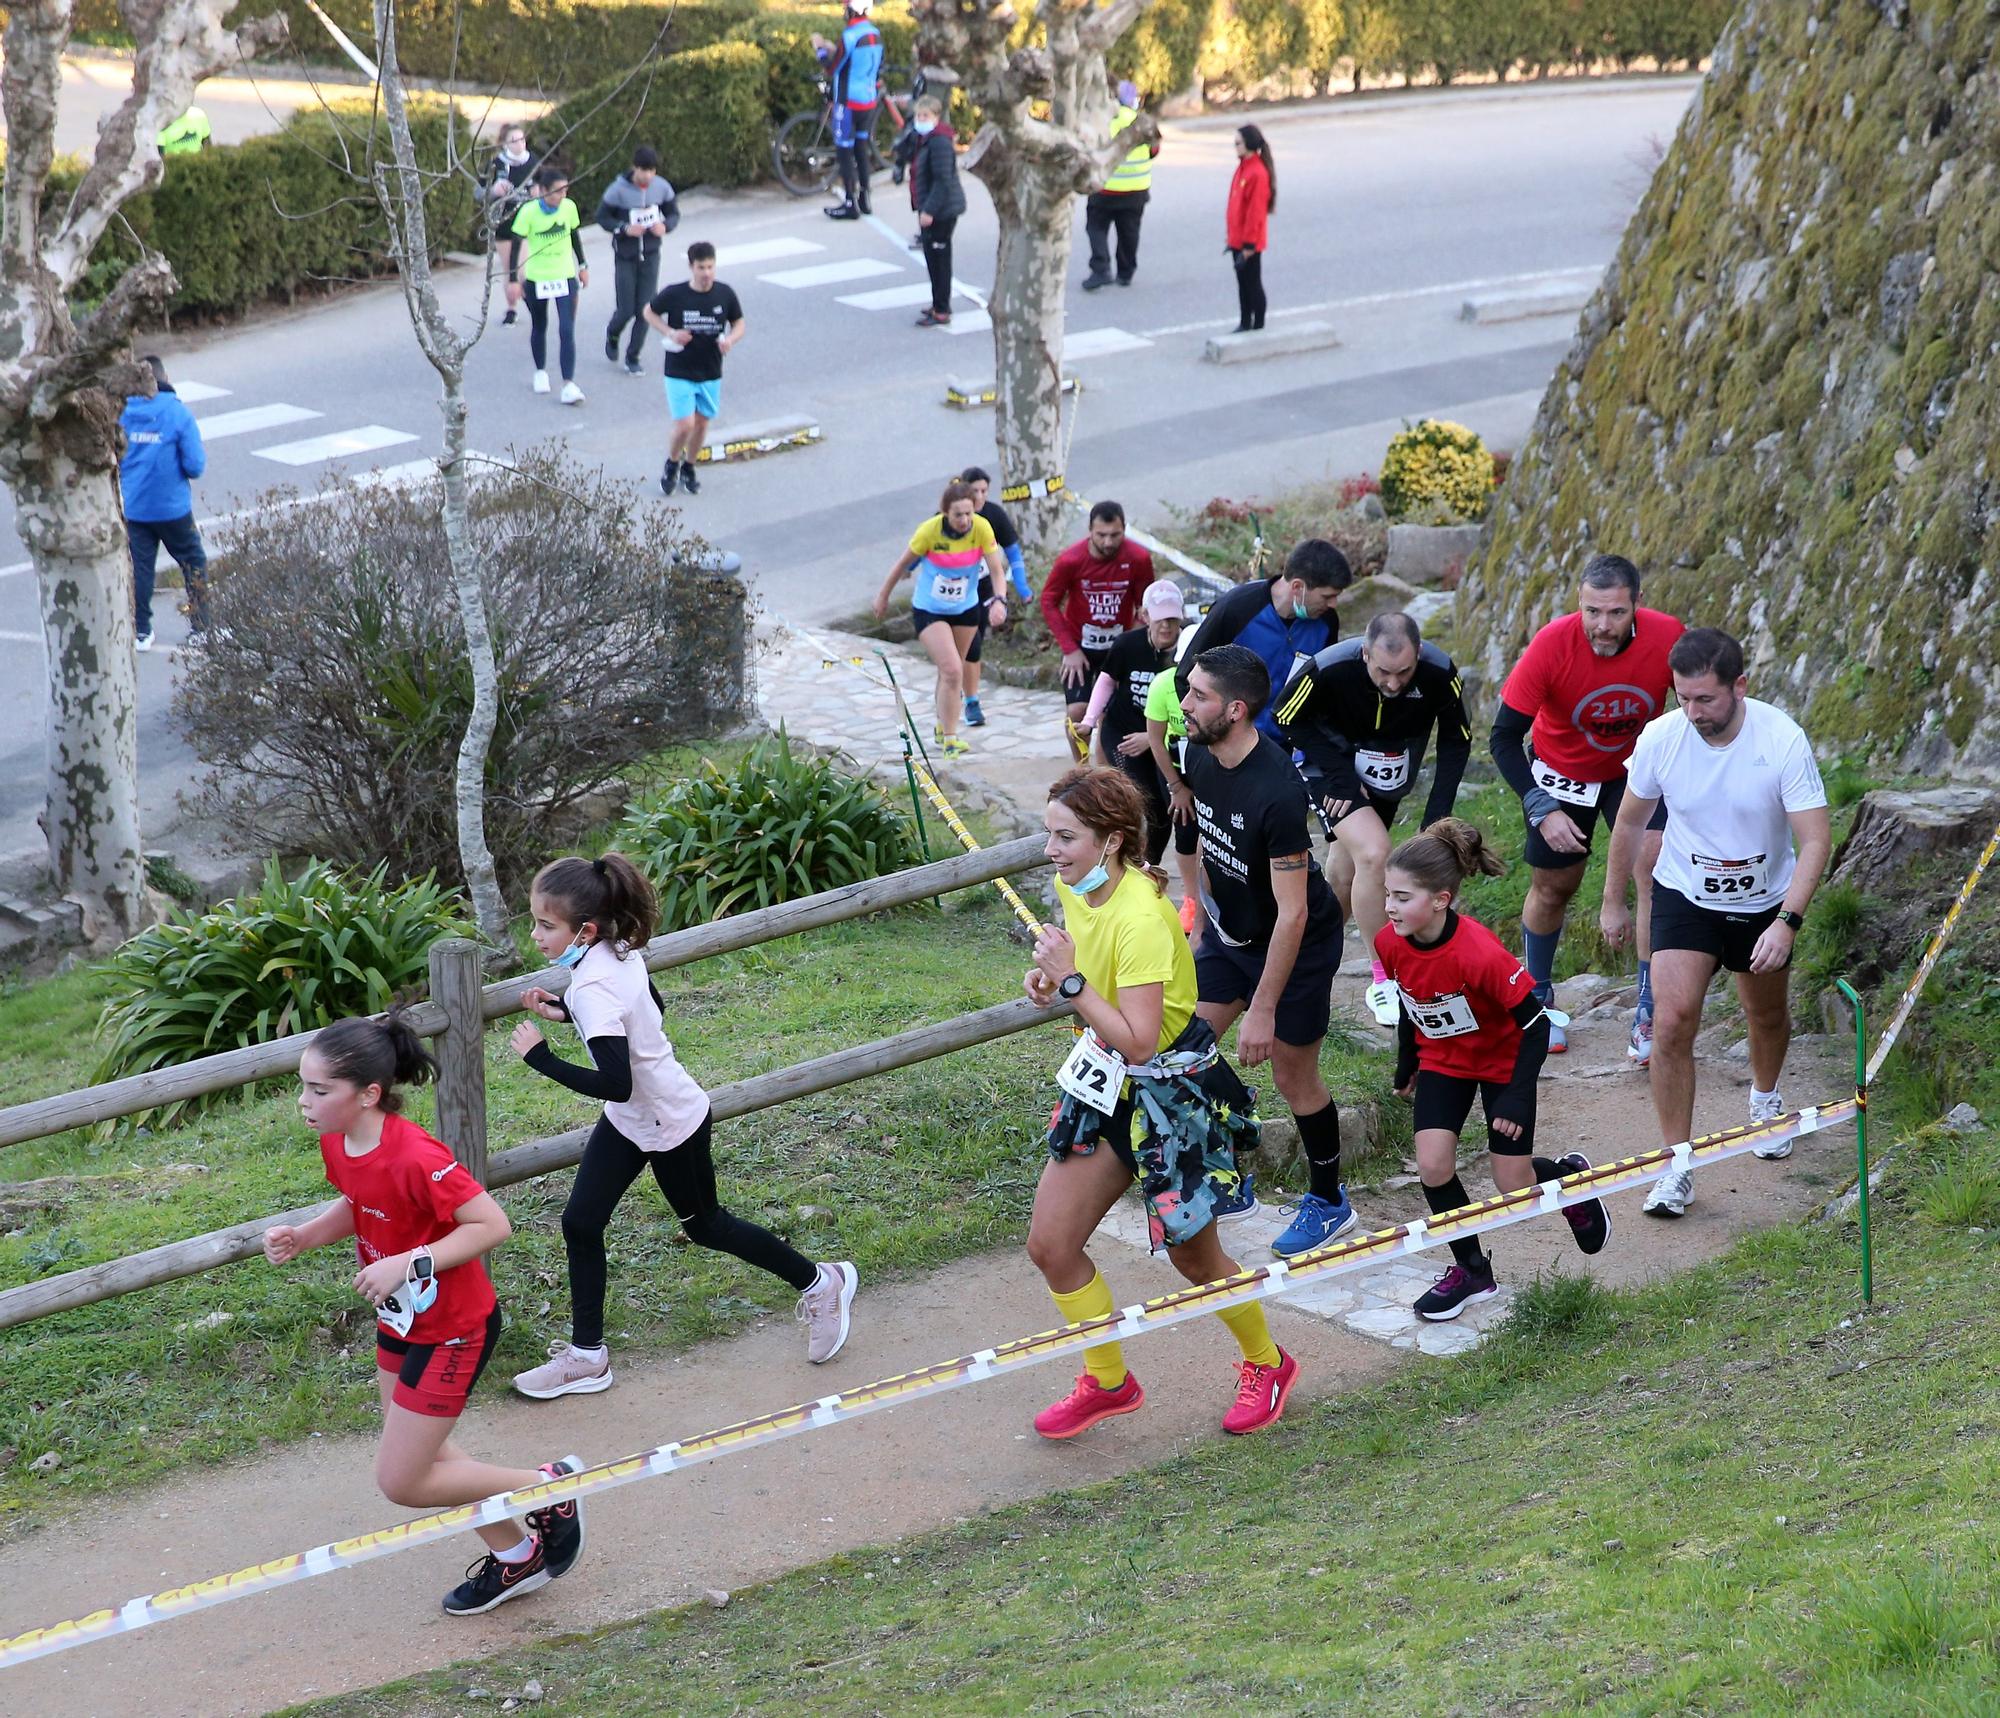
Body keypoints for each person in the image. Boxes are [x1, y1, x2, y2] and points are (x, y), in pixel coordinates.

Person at [262, 1014, 587, 1616]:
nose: (303, 1102)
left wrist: (410, 1264)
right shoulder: (338, 1140)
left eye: (319, 1090)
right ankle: (519, 1556)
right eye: (302, 1086)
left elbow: (492, 1225)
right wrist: (307, 1235)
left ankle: (547, 1486)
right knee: (419, 1457)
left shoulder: (416, 1155)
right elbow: (361, 1202)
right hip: (402, 1320)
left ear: (369, 1095)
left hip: (455, 1329)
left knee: (402, 1480)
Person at [508, 854, 858, 1396]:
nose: (535, 935)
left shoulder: (593, 984)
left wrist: (541, 1058)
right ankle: (587, 1356)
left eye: (545, 925)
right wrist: (566, 1012)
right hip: (630, 1122)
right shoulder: (617, 955)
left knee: (706, 1226)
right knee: (580, 1221)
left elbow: (616, 1081)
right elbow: (651, 1010)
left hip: (671, 1121)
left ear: (586, 929)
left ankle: (821, 1281)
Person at [1024, 766, 1298, 1439]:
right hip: (1107, 1087)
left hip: (1171, 1095)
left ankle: (1269, 1363)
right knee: (1052, 1246)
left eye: (1065, 837)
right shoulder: (1073, 886)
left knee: (1194, 1259)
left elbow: (1141, 1042)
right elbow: (1092, 998)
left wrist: (1072, 983)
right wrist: (1050, 983)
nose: (1051, 850)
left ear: (1112, 841)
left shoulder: (1143, 920)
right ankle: (1109, 1382)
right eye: (1049, 835)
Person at [1600, 628, 1832, 1219]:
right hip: (1685, 894)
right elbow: (1629, 824)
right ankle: (1676, 1165)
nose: (1693, 712)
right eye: (1682, 698)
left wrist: (1786, 923)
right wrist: (1614, 901)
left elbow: (1814, 841)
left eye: (1705, 699)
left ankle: (1765, 1099)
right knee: (1673, 1022)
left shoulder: (1780, 740)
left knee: (1767, 1014)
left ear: (1740, 687)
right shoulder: (1662, 739)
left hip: (1763, 903)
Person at [1380, 821, 1610, 1320]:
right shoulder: (1389, 941)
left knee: (1514, 1187)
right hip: (1444, 1060)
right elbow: (1407, 1001)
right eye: (1387, 895)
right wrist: (1407, 1061)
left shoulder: (1478, 951)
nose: (1390, 907)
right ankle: (1472, 1270)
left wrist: (1512, 1099)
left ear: (1441, 899)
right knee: (1434, 1167)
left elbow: (1536, 1027)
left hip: (1505, 1061)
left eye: (1402, 896)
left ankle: (1569, 1179)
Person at [1180, 645, 1357, 1255]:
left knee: (1291, 1072)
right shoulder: (1198, 755)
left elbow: (1296, 911)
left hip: (1296, 945)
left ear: (1234, 709)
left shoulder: (1279, 791)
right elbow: (1201, 844)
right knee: (1180, 1047)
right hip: (1231, 940)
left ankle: (1330, 1201)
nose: (1185, 702)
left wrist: (1261, 1008)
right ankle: (1229, 1174)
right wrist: (1197, 916)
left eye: (1198, 695)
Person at [1489, 553, 1682, 1056]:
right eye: (1592, 611)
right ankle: (1537, 994)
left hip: (1634, 770)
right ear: (1579, 603)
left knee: (1654, 866)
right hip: (1562, 772)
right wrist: (1539, 805)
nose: (1602, 625)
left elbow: (1694, 710)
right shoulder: (1553, 644)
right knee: (1555, 886)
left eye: (1616, 613)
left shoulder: (1667, 636)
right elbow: (1504, 736)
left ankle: (1649, 1006)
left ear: (1638, 604)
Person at [1275, 612, 1473, 1027]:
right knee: (1375, 854)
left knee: (1345, 871)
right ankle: (1384, 977)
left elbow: (1457, 739)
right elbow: (1286, 716)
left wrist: (1436, 815)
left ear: (1418, 653)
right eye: (1383, 671)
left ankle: (1305, 955)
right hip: (1329, 770)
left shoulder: (1438, 672)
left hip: (1387, 767)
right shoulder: (1330, 666)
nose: (1394, 683)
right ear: (1365, 653)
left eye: (1404, 672)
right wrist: (1341, 778)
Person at [872, 478, 1009, 758]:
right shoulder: (929, 532)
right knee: (952, 670)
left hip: (966, 608)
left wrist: (999, 600)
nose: (964, 520)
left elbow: (996, 569)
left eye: (969, 513)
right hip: (929, 610)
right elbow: (902, 564)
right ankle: (950, 738)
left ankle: (941, 723)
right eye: (958, 514)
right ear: (945, 512)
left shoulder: (982, 528)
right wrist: (883, 596)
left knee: (949, 671)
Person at [1175, 538, 1350, 746]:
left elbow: (1325, 688)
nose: (1333, 604)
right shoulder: (1236, 609)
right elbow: (1186, 676)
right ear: (1298, 587)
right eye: (1327, 596)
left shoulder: (1327, 622)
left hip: (1290, 746)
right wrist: (1213, 739)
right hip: (1231, 744)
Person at [1078, 581, 1186, 862]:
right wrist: (1089, 722)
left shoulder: (1187, 650)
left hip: (1163, 737)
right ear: (1146, 616)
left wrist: (1151, 738)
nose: (1166, 626)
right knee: (1140, 799)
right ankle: (1123, 859)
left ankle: (1147, 864)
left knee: (1164, 809)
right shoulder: (1128, 644)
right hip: (1124, 733)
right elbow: (1106, 681)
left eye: (1172, 619)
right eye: (1160, 619)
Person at [1041, 500, 1155, 757]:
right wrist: (1069, 649)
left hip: (1117, 648)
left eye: (1115, 535)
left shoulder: (1138, 559)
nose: (1107, 542)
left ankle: (1104, 777)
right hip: (1080, 648)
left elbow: (1145, 604)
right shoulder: (1071, 560)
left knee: (1110, 713)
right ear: (1090, 530)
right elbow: (1048, 601)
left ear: (1124, 529)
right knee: (1077, 712)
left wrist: (1131, 642)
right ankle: (1081, 770)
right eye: (1101, 535)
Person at [119, 354, 209, 651]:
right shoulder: (177, 414)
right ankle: (202, 627)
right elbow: (195, 465)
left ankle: (141, 631)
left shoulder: (122, 414)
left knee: (140, 569)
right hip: (173, 509)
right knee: (193, 562)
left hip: (135, 508)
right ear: (164, 377)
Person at [644, 241, 745, 497]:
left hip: (710, 369)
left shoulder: (725, 294)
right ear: (691, 267)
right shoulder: (676, 294)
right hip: (679, 369)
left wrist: (730, 340)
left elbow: (739, 323)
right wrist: (670, 333)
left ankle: (689, 467)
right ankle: (672, 462)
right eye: (701, 267)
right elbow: (649, 312)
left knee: (701, 424)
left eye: (710, 267)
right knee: (685, 424)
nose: (707, 273)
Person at [959, 465, 1032, 728]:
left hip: (985, 585)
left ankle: (968, 695)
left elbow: (1012, 552)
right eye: (974, 490)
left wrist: (1021, 588)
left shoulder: (993, 515)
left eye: (984, 491)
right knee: (966, 646)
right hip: (955, 592)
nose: (980, 496)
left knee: (974, 642)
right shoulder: (949, 516)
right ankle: (967, 697)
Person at [510, 164, 589, 404]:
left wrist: (583, 265)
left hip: (564, 275)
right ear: (543, 190)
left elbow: (574, 235)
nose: (562, 196)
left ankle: (569, 384)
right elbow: (516, 243)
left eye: (565, 191)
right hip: (537, 277)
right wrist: (514, 279)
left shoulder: (568, 208)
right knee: (540, 324)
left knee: (566, 329)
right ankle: (540, 371)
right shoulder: (528, 211)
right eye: (556, 191)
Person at [596, 145, 678, 375]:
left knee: (646, 309)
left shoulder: (662, 188)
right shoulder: (618, 190)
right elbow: (602, 217)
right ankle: (613, 334)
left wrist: (666, 226)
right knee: (625, 310)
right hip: (625, 256)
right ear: (635, 168)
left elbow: (674, 213)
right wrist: (623, 229)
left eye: (652, 171)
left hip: (651, 255)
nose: (648, 177)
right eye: (643, 171)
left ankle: (633, 356)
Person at [1145, 633, 1205, 937]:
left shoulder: (1218, 687)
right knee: (1185, 829)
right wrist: (1176, 787)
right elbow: (1154, 738)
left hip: (1209, 768)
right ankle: (1192, 899)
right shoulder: (1162, 685)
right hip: (1174, 770)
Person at [1081, 80, 1156, 292]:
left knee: (1096, 228)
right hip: (1136, 191)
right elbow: (1154, 151)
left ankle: (1101, 269)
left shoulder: (1105, 122)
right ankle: (1126, 272)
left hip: (1104, 188)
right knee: (1129, 233)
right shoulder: (1142, 122)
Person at [815, 0, 884, 220]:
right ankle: (864, 198)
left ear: (852, 10)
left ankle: (849, 203)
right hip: (869, 101)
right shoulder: (875, 33)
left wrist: (819, 48)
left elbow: (831, 67)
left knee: (844, 151)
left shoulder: (849, 35)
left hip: (848, 102)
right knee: (861, 148)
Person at [909, 95, 966, 327]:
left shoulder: (939, 142)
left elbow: (942, 180)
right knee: (933, 260)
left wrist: (928, 211)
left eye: (926, 116)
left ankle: (942, 309)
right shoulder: (926, 139)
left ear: (936, 117)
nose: (921, 120)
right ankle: (938, 303)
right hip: (933, 207)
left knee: (940, 260)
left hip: (941, 211)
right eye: (918, 115)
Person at [481, 123, 536, 325]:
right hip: (504, 223)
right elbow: (478, 193)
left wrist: (538, 193)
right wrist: (494, 190)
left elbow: (546, 187)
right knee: (509, 268)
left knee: (522, 269)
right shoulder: (497, 164)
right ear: (504, 143)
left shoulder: (533, 162)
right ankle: (511, 308)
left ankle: (533, 305)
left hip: (528, 223)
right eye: (514, 140)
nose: (519, 144)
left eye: (522, 139)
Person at [1226, 124, 1275, 333]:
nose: (1235, 147)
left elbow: (1255, 213)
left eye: (1238, 143)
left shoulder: (1257, 173)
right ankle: (1245, 321)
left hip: (1249, 241)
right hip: (1237, 239)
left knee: (1252, 283)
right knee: (1243, 283)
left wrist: (1249, 244)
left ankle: (1258, 323)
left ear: (1249, 144)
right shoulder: (1243, 167)